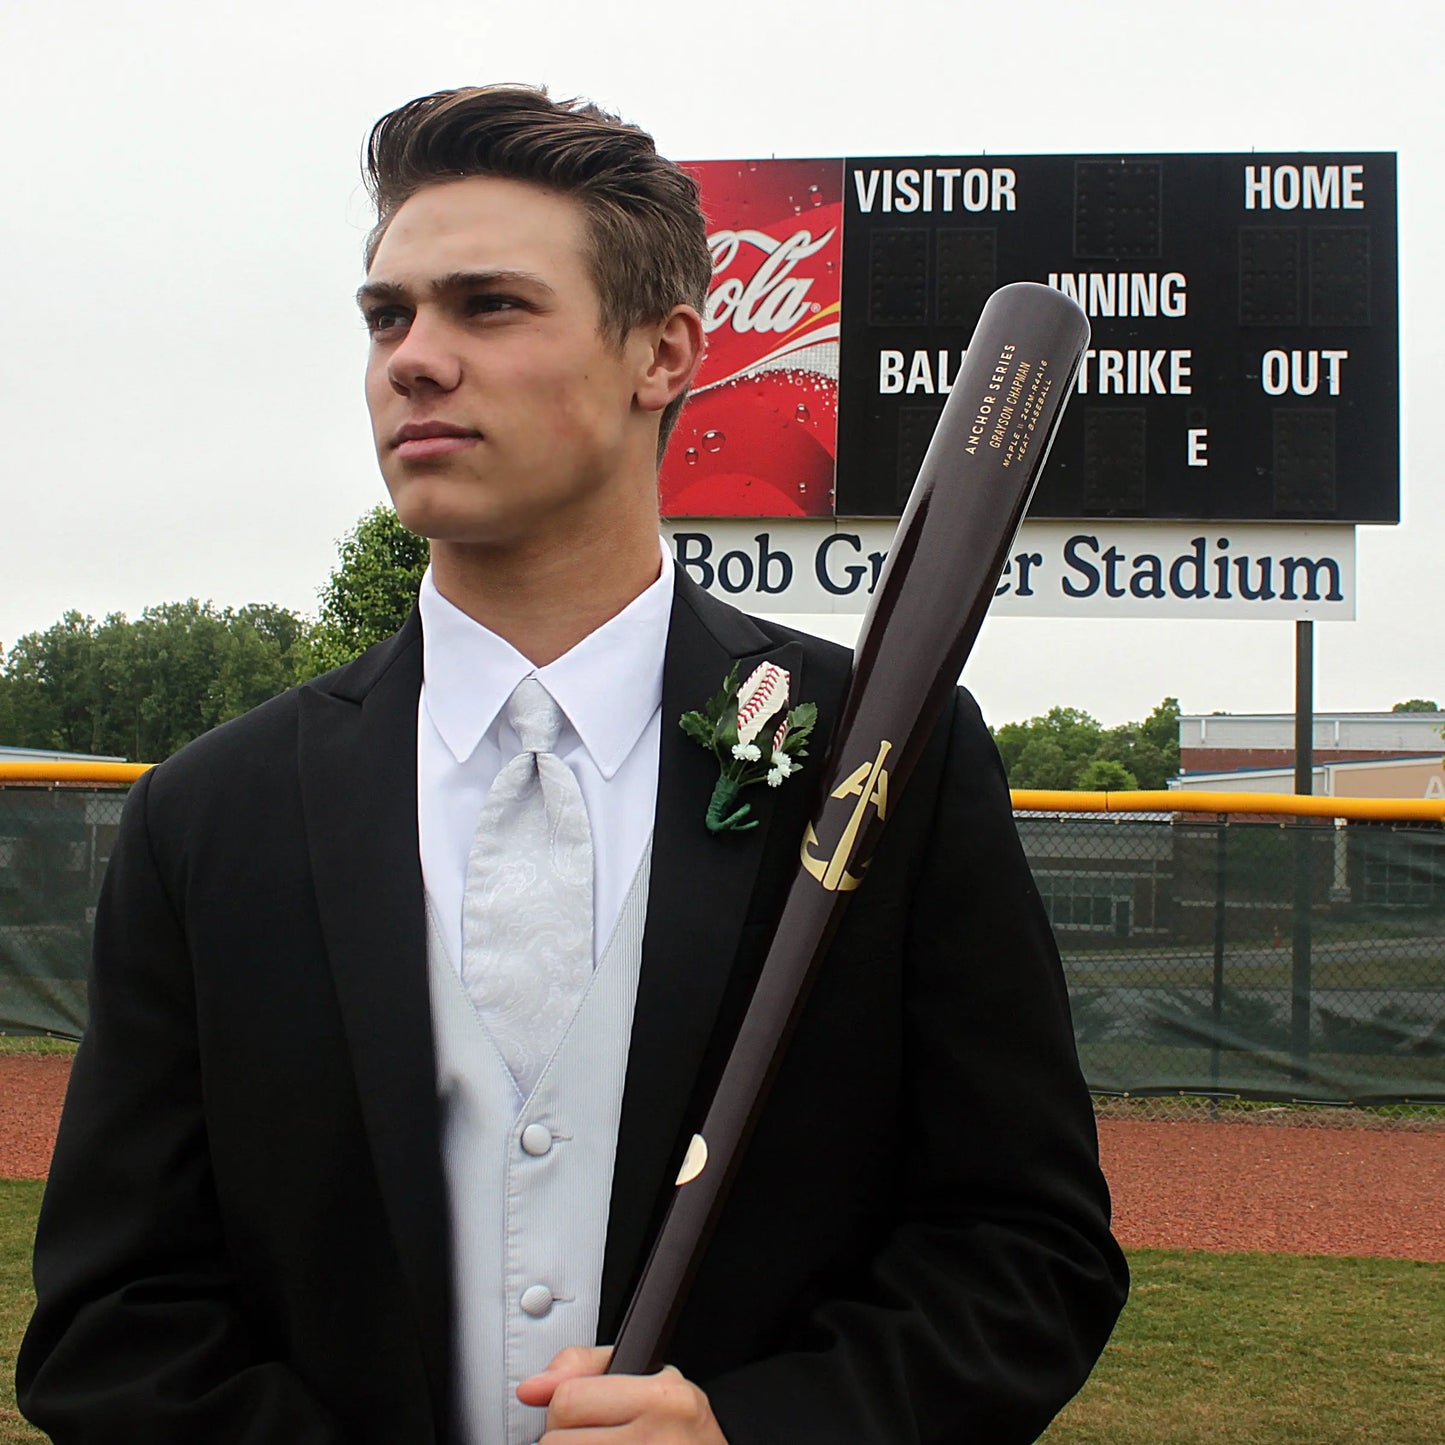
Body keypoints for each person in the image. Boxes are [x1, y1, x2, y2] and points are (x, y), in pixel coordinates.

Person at [18, 86, 1127, 1444]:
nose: (414, 359)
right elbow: (112, 1323)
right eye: (388, 315)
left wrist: (750, 1430)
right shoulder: (211, 813)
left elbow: (1021, 1253)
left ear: (662, 353)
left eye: (488, 306)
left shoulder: (886, 755)